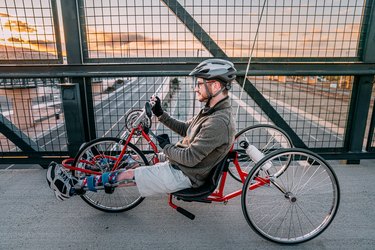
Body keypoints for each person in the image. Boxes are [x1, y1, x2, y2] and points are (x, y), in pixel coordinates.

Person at [46, 59, 237, 200]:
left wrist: (166, 147)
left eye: (199, 83)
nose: (196, 88)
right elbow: (187, 129)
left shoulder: (218, 122)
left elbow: (190, 158)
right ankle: (91, 171)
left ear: (216, 85)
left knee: (131, 175)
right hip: (181, 165)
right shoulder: (211, 112)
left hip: (185, 175)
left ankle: (73, 187)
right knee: (132, 160)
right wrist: (161, 114)